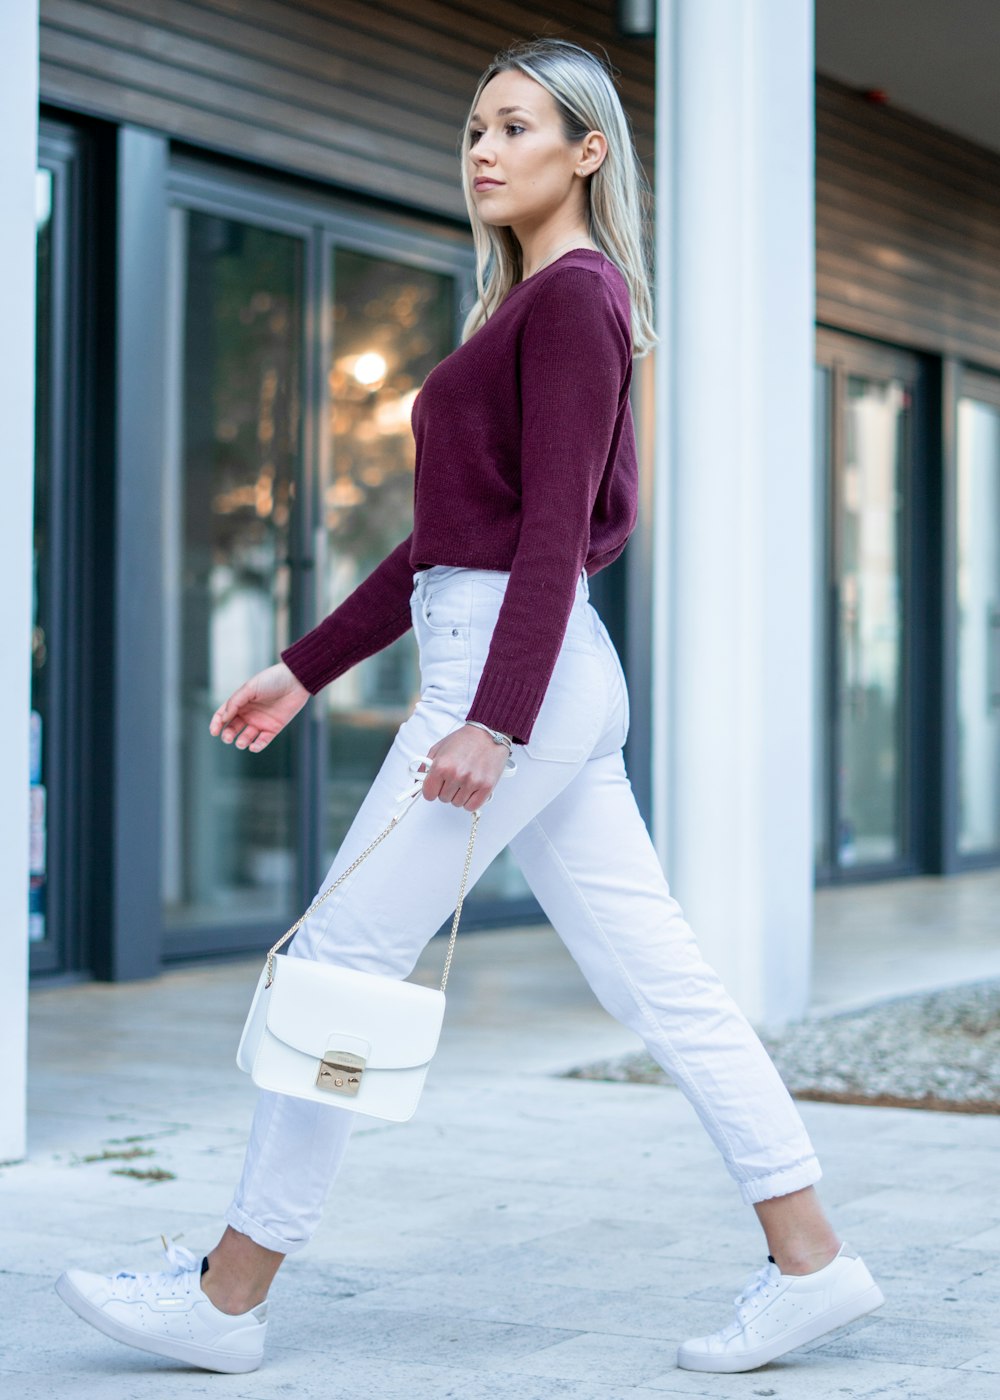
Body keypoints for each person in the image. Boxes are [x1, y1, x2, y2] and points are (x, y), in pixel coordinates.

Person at [55, 37, 883, 1378]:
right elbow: (445, 540)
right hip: (530, 665)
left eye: (516, 126)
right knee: (659, 981)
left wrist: (491, 721)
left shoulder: (573, 299)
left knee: (334, 971)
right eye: (475, 129)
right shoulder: (527, 306)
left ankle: (225, 1298)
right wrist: (307, 665)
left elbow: (552, 530)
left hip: (519, 675)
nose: (485, 150)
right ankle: (814, 1261)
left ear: (589, 151)